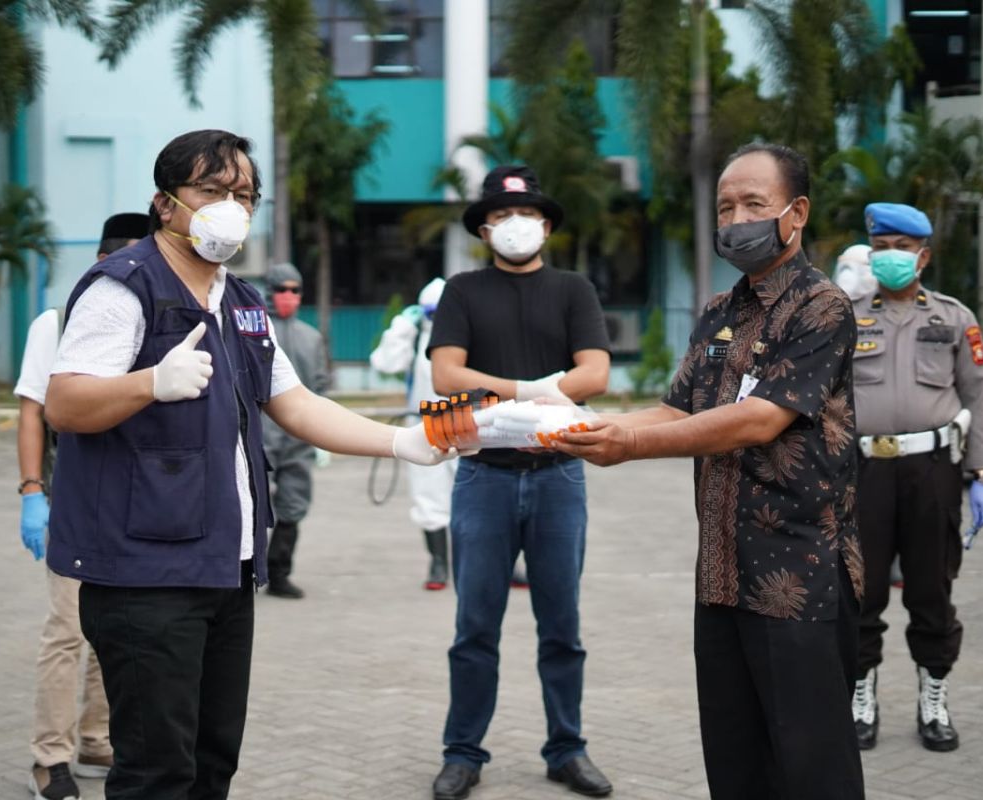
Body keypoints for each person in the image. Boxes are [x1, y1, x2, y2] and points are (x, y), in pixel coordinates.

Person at [42, 129, 455, 800]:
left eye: (243, 195)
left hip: (225, 569)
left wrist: (401, 441)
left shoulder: (241, 303)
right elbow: (64, 402)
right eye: (211, 191)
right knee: (155, 772)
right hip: (144, 575)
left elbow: (294, 403)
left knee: (211, 764)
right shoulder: (125, 287)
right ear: (165, 203)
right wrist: (148, 382)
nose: (230, 207)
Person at [553, 143, 866, 800]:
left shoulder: (821, 306)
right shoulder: (720, 312)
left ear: (796, 212)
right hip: (721, 578)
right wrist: (570, 428)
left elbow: (760, 418)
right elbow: (674, 409)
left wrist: (629, 449)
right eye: (726, 207)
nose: (736, 219)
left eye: (754, 203)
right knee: (735, 765)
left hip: (799, 579)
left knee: (812, 771)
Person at [426, 164, 612, 800]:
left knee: (562, 624)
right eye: (502, 216)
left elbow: (598, 373)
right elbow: (445, 375)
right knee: (475, 625)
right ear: (483, 227)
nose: (515, 225)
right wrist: (533, 391)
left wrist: (520, 393)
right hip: (484, 477)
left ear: (547, 225)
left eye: (527, 214)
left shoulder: (573, 290)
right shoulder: (463, 291)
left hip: (560, 476)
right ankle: (463, 752)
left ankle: (567, 748)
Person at [846, 202, 983, 753]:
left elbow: (979, 395)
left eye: (902, 248)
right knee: (859, 592)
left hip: (932, 470)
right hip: (861, 470)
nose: (891, 257)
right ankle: (860, 698)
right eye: (881, 247)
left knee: (931, 589)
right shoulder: (846, 315)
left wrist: (982, 472)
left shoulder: (954, 318)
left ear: (924, 256)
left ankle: (933, 698)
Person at [14, 211, 148, 800]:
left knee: (111, 629)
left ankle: (97, 737)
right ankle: (50, 758)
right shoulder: (59, 320)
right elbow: (30, 411)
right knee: (67, 630)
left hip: (133, 502)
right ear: (101, 260)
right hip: (71, 501)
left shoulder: (153, 319)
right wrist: (30, 492)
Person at [370, 277, 458, 590]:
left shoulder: (468, 335)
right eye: (432, 313)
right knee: (430, 497)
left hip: (469, 424)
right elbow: (384, 362)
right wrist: (400, 329)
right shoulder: (416, 336)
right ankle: (438, 563)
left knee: (480, 493)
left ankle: (501, 562)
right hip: (426, 426)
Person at [260, 261, 330, 599]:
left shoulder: (312, 338)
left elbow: (319, 386)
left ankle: (279, 572)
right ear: (269, 292)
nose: (288, 296)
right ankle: (245, 572)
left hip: (299, 440)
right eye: (281, 289)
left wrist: (322, 437)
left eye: (294, 290)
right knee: (251, 505)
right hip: (258, 437)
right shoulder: (255, 332)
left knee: (294, 504)